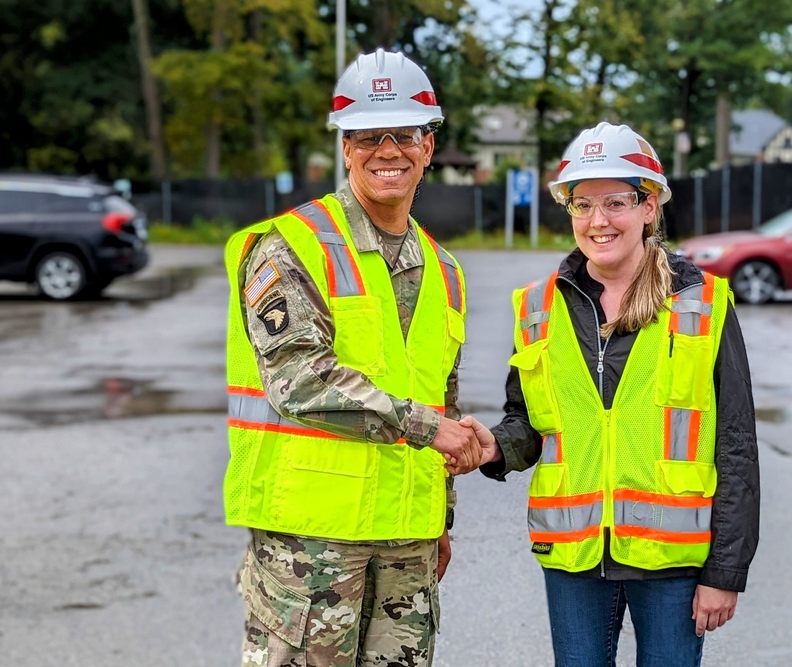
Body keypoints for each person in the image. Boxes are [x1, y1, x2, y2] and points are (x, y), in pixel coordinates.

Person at [464, 122, 760, 667]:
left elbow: (736, 446)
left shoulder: (703, 304)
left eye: (616, 202)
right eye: (583, 204)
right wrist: (494, 447)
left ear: (649, 207)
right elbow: (528, 422)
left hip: (672, 560)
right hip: (573, 557)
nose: (598, 221)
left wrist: (725, 573)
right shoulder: (537, 308)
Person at [222, 48, 481, 667]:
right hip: (311, 543)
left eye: (404, 133)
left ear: (428, 145)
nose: (387, 149)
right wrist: (430, 430)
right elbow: (300, 381)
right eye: (368, 134)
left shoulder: (444, 270)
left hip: (406, 544)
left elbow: (439, 395)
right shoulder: (292, 247)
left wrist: (439, 519)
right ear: (345, 146)